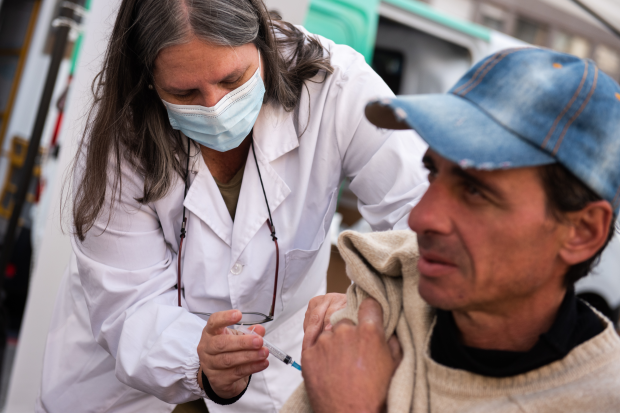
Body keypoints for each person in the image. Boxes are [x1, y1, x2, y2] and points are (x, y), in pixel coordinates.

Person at [36, 1, 429, 412]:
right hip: (124, 381)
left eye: (233, 79)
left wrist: (368, 301)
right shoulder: (122, 134)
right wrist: (199, 359)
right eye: (183, 92)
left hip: (273, 369)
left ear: (261, 38)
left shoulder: (336, 88)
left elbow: (420, 216)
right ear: (148, 81)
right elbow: (130, 306)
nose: (214, 107)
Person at [299, 48, 620, 412]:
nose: (421, 218)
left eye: (474, 190)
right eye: (434, 172)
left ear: (581, 231)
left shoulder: (602, 399)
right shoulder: (384, 291)